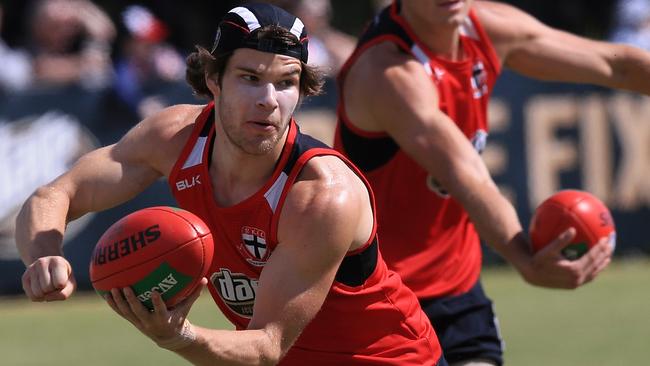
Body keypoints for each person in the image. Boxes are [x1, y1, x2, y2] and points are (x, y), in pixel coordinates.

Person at [16, 3, 446, 365]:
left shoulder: (322, 194)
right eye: (250, 78)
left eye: (286, 83)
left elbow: (267, 345)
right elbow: (56, 193)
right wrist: (42, 257)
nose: (268, 100)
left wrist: (179, 336)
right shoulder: (175, 137)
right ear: (213, 80)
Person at [333, 1, 649, 365]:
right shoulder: (387, 71)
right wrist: (525, 259)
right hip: (379, 296)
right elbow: (467, 176)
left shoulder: (487, 27)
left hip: (457, 289)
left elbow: (618, 65)